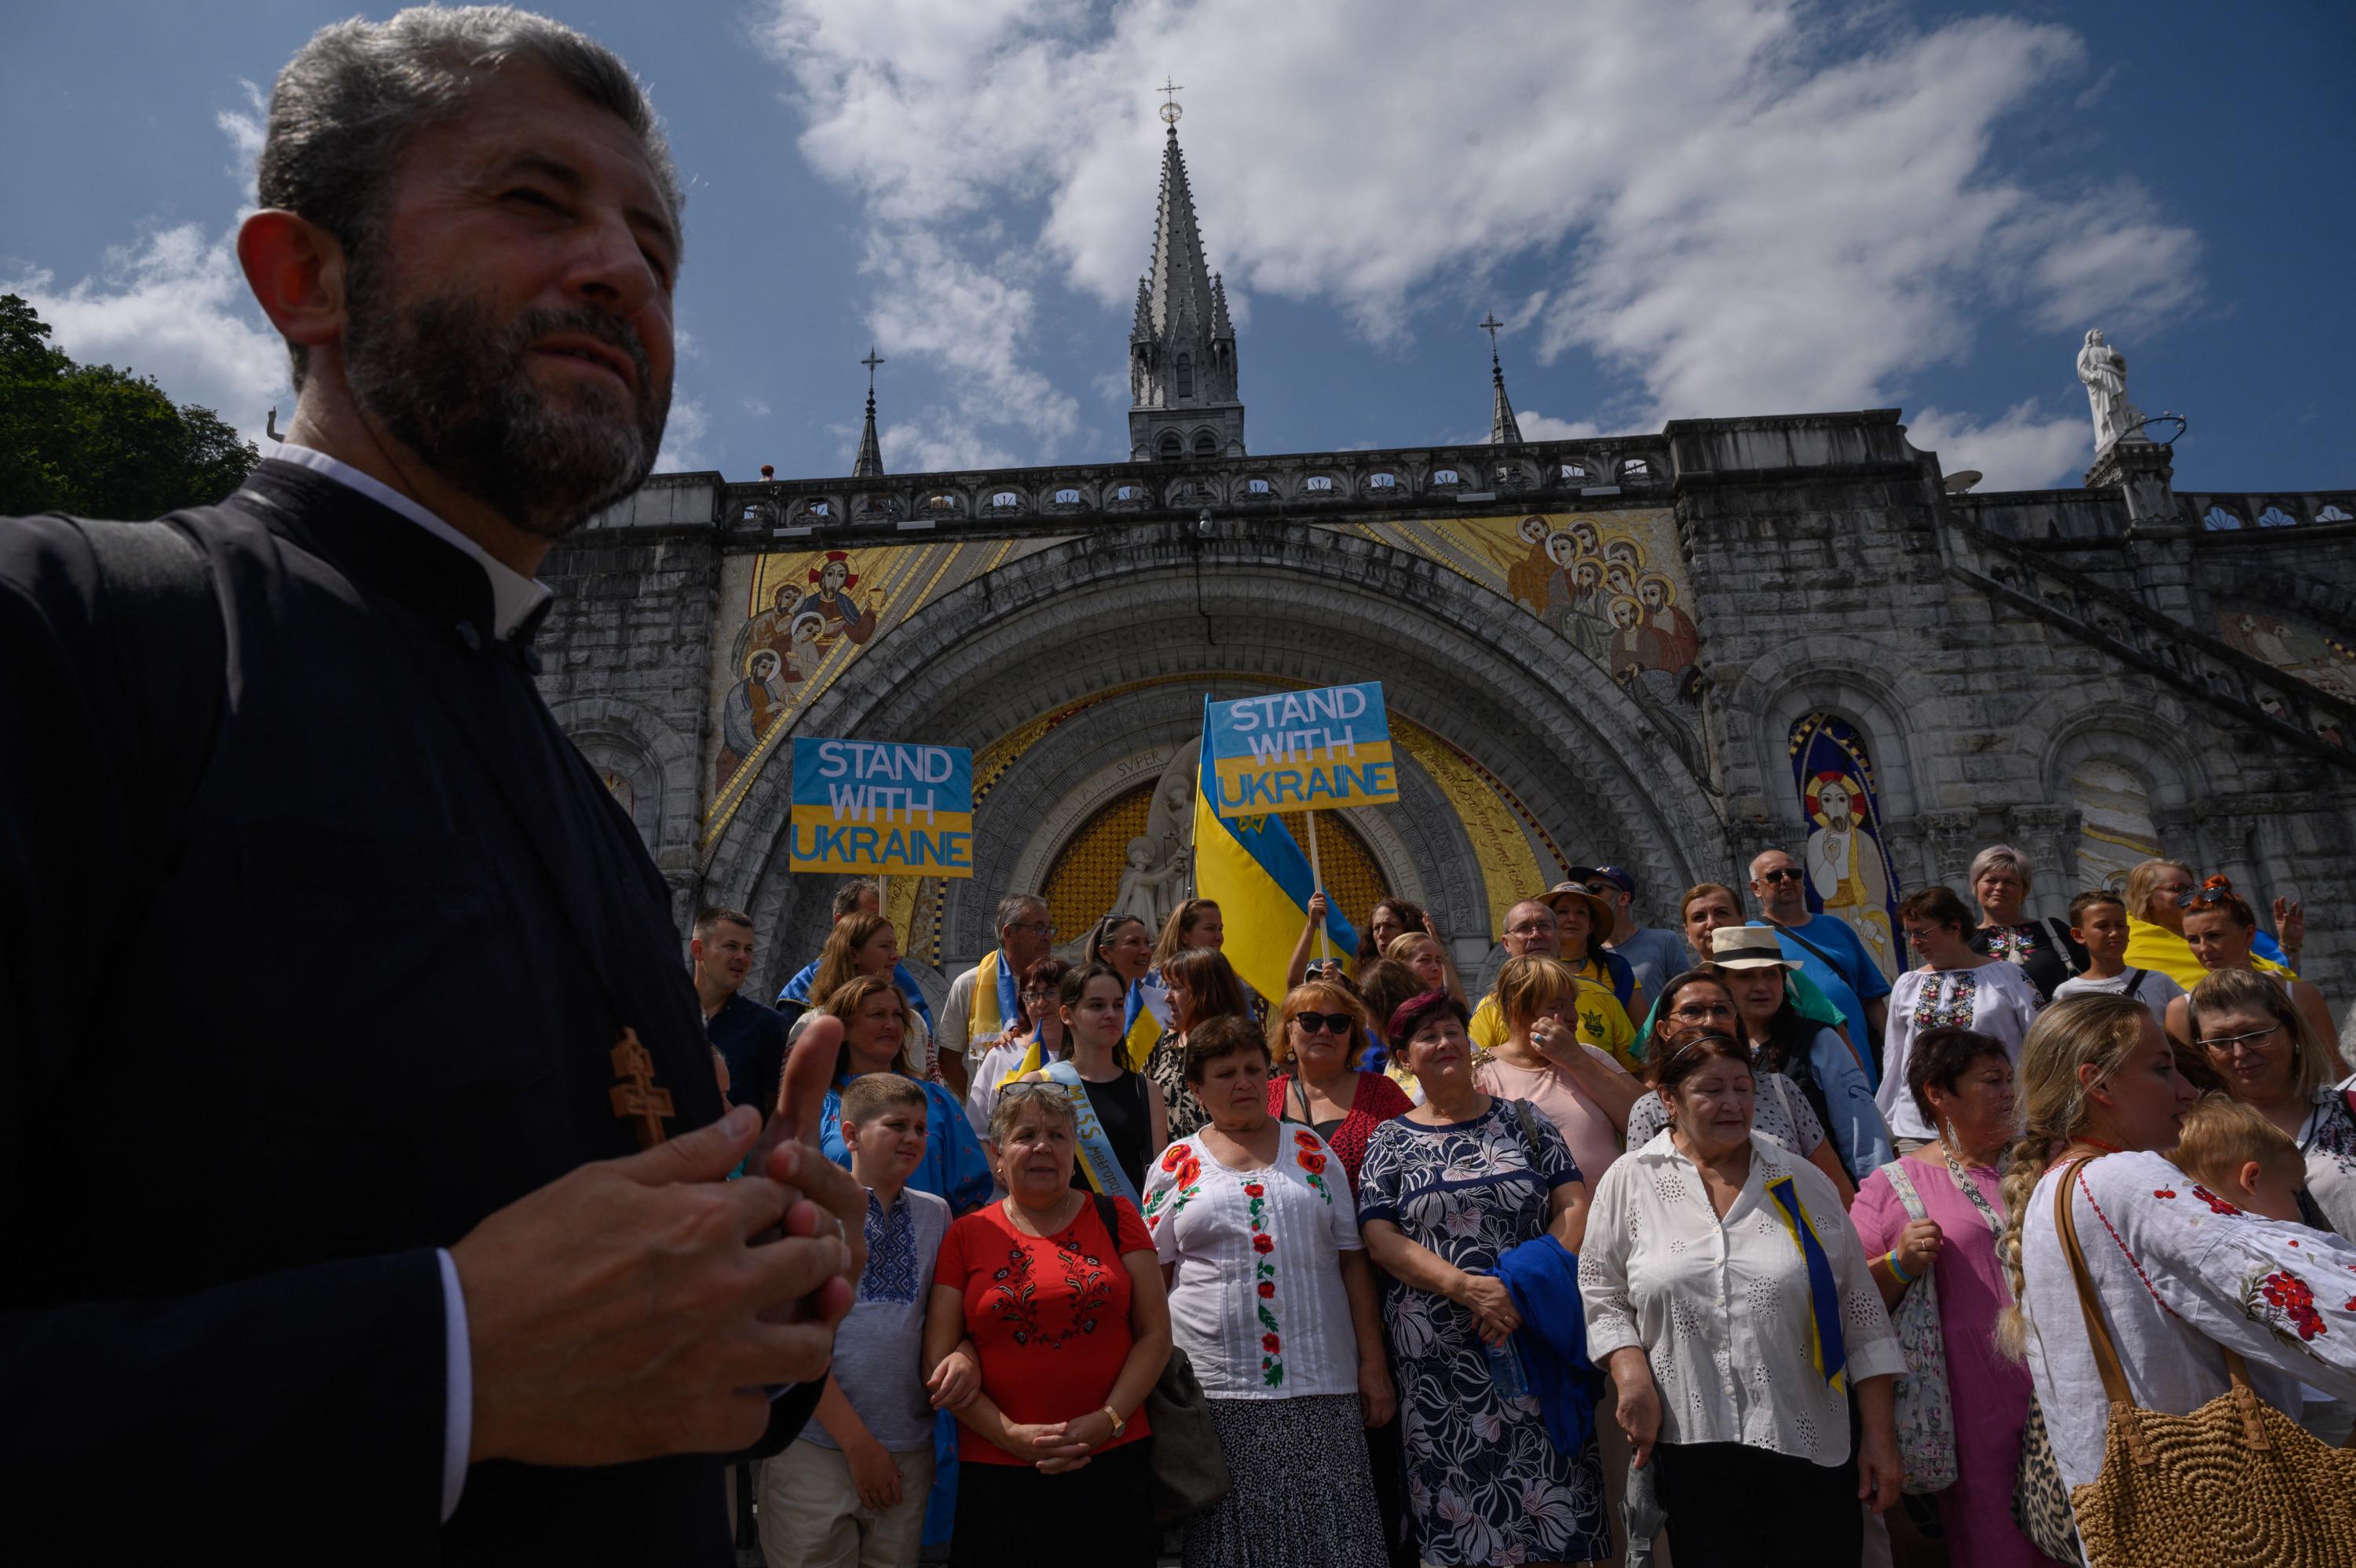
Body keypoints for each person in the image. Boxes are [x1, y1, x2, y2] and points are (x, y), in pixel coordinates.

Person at [0, 9, 868, 1555]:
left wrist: (761, 1297)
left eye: (657, 250)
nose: (619, 269)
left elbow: (618, 1379)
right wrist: (443, 1358)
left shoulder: (585, 808)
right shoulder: (71, 631)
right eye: (537, 202)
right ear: (305, 274)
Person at [2001, 995, 2356, 1506]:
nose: (2188, 1090)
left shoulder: (2055, 1186)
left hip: (2142, 1511)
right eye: (2163, 1069)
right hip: (2210, 1506)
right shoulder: (2122, 1178)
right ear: (2098, 1083)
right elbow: (2275, 1277)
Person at [1582, 1025, 1905, 1567]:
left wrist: (1879, 1438)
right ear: (1668, 1098)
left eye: (1742, 1087)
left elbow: (1862, 1316)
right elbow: (1602, 1289)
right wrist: (1629, 1368)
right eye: (1712, 1089)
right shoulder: (1629, 1181)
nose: (1732, 1103)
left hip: (1809, 1438)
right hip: (1689, 1439)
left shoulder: (1799, 1180)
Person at [1357, 991, 1612, 1566]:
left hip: (1531, 1338)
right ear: (1404, 1056)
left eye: (1453, 1031)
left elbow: (1573, 1206)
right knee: (1461, 1522)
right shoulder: (1389, 1140)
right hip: (1440, 1369)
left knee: (1553, 1510)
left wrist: (1517, 1288)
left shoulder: (1524, 1119)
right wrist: (1466, 1287)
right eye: (1427, 1037)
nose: (1444, 1043)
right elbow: (1381, 1238)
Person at [1143, 1017, 1395, 1568]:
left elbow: (1353, 1263)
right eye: (1225, 1072)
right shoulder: (1174, 1165)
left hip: (1321, 1385)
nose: (1243, 1082)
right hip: (1217, 1396)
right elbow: (1153, 1282)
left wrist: (1372, 1363)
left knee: (1332, 1541)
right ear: (1195, 1088)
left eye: (1254, 1068)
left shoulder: (1311, 1152)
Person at [923, 1084, 1171, 1567]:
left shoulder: (1117, 1216)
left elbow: (1155, 1335)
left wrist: (1107, 1421)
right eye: (1025, 1135)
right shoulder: (966, 1233)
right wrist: (1009, 1435)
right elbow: (937, 1356)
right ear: (997, 1155)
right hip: (998, 1469)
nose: (1042, 1147)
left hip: (1111, 1460)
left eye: (1058, 1135)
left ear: (1072, 1151)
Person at [1849, 1029, 2065, 1568]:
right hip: (1970, 1401)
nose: (2009, 1091)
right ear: (1938, 1094)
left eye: (2009, 1078)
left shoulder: (2047, 1164)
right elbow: (1852, 1299)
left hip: (2064, 1383)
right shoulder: (1891, 1184)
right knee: (1999, 1543)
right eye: (1991, 1080)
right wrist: (1899, 1262)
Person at [762, 1075, 952, 1568]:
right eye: (896, 1125)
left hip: (905, 1451)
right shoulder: (808, 1212)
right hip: (815, 1447)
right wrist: (857, 1444)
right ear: (850, 1135)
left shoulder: (937, 1215)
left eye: (920, 1128)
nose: (912, 1138)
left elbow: (943, 1323)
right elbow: (794, 1344)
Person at [1627, 970, 1860, 1202]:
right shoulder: (1648, 1109)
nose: (1710, 1021)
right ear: (1664, 1029)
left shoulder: (1781, 1090)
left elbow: (1835, 1189)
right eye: (1692, 1011)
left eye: (1721, 1010)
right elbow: (1641, 1201)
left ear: (1735, 1022)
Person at [2182, 967, 2356, 1235]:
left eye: (2254, 1035)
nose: (2239, 1052)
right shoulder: (2193, 1141)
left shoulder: (2351, 1109)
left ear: (2293, 1032)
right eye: (2220, 1041)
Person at [1711, 924, 1892, 1182]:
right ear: (1722, 984)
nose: (1761, 986)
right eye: (1746, 976)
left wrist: (1879, 1199)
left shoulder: (1819, 1040)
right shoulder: (1710, 1051)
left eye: (1771, 975)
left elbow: (1863, 1136)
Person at [1878, 887, 2041, 1149]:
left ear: (1954, 928)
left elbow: (2040, 1042)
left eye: (1922, 932)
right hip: (1921, 1127)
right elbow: (1896, 1057)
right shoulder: (1908, 984)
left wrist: (2040, 1113)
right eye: (1910, 934)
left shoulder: (2008, 977)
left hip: (2000, 1123)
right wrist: (1886, 1117)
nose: (1914, 942)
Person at [818, 977, 993, 1215]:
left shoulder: (934, 1100)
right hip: (842, 1247)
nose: (891, 1024)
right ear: (844, 1028)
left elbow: (969, 1194)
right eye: (877, 1015)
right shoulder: (819, 1106)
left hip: (930, 1246)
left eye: (898, 1015)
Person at [1473, 954, 1646, 1190]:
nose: (1574, 1017)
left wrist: (1576, 1060)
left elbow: (1648, 1121)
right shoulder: (1482, 1072)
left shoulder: (1590, 1056)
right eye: (1558, 1006)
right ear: (1517, 1008)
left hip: (1614, 1217)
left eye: (1572, 1003)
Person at [1010, 962, 1168, 1201]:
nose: (1111, 1014)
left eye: (1118, 1005)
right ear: (1067, 1014)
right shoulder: (1036, 1084)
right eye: (1097, 1006)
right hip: (1060, 1227)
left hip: (1127, 1231)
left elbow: (1157, 1180)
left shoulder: (1146, 1090)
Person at [1749, 847, 1892, 1083]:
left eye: (1793, 874)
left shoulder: (1837, 927)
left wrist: (1898, 1054)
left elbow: (1872, 998)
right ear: (1756, 888)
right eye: (1775, 876)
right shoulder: (1751, 936)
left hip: (1862, 1064)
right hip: (1800, 1070)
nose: (1786, 880)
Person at [1266, 978, 1415, 1197]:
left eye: (1338, 1023)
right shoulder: (1265, 1097)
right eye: (1311, 1021)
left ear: (1352, 1037)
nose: (1325, 1031)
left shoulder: (1383, 1094)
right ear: (1289, 1033)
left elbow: (1420, 1160)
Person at [2167, 876, 2340, 1061]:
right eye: (2193, 940)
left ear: (2249, 935)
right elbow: (2185, 1081)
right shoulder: (2182, 1010)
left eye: (2214, 936)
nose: (2204, 948)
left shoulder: (2299, 995)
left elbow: (2335, 1069)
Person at [1469, 895, 1641, 1068]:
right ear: (1506, 943)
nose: (1535, 935)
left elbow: (1639, 1070)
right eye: (1524, 928)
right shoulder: (1490, 1007)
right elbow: (1475, 1072)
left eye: (1544, 926)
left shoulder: (1601, 995)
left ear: (1558, 937)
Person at [781, 879, 938, 1040]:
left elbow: (921, 1046)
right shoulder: (801, 989)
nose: (878, 926)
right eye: (869, 919)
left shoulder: (901, 982)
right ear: (841, 922)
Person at [2119, 856, 2303, 991]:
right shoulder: (2130, 949)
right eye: (2178, 889)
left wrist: (2290, 945)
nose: (2191, 896)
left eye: (2192, 888)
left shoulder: (2220, 930)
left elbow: (2282, 986)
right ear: (2147, 897)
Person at [937, 894, 1055, 1101]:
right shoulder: (969, 984)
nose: (1048, 936)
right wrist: (982, 1104)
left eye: (1049, 928)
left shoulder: (1062, 983)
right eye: (1038, 928)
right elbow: (948, 1061)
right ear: (1009, 933)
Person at [1145, 945, 1255, 1143]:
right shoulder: (1160, 1046)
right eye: (1167, 987)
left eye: (1177, 988)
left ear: (1207, 992)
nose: (1167, 997)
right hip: (1173, 1169)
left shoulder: (1248, 1049)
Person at [805, 914, 935, 1080]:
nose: (895, 956)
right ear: (854, 955)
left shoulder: (913, 1021)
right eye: (884, 946)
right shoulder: (814, 1022)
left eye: (897, 1015)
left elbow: (933, 1088)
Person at [694, 905, 790, 1115]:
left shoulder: (767, 1025)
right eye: (732, 946)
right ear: (698, 950)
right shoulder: (664, 1017)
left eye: (748, 949)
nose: (742, 957)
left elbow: (777, 1108)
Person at [964, 956, 1068, 1140]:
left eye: (1051, 992)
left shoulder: (1087, 1054)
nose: (1041, 1003)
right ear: (1023, 1002)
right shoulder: (1001, 1054)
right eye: (1032, 995)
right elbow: (975, 1130)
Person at [1963, 844, 2084, 1002]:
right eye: (1991, 880)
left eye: (2010, 882)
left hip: (2056, 1024)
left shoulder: (2052, 930)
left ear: (2024, 890)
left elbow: (2092, 976)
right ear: (1975, 887)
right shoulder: (1964, 943)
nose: (2000, 887)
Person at [2053, 889, 2185, 1018]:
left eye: (2120, 925)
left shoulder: (2158, 981)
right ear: (2078, 935)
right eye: (2103, 926)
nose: (2115, 933)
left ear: (2128, 931)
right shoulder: (2067, 994)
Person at [1572, 863, 1687, 1000]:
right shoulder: (1586, 953)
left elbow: (1688, 996)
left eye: (1595, 889)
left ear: (1623, 898)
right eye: (1585, 892)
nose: (1589, 897)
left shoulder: (1665, 941)